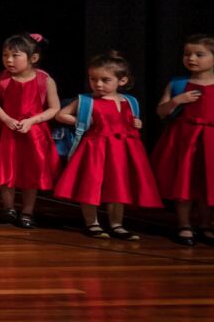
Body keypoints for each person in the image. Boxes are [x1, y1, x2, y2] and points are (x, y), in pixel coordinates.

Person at [150, 33, 214, 247]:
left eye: (199, 54)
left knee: (208, 184)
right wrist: (177, 101)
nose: (191, 58)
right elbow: (161, 112)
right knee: (184, 183)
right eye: (187, 54)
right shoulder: (178, 84)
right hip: (185, 141)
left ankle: (205, 225)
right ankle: (184, 225)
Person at [52, 51, 160, 240]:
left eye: (105, 80)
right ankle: (92, 223)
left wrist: (137, 123)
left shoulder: (130, 101)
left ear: (122, 81)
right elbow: (61, 115)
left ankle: (117, 224)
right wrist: (81, 121)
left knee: (118, 187)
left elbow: (130, 121)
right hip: (95, 149)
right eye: (93, 79)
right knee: (91, 185)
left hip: (121, 152)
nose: (98, 84)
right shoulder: (87, 100)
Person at [0, 33, 62, 228]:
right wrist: (7, 119)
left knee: (31, 171)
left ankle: (27, 211)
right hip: (8, 130)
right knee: (6, 169)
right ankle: (8, 208)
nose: (9, 60)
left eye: (15, 55)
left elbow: (54, 108)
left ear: (33, 58)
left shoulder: (44, 80)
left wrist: (32, 121)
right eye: (5, 55)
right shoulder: (1, 78)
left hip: (34, 133)